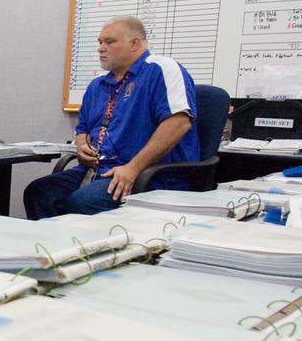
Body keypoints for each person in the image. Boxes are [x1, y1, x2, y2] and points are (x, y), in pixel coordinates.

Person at [23, 15, 198, 219]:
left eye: (110, 41)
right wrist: (81, 146)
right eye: (99, 42)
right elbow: (83, 129)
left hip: (149, 174)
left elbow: (178, 124)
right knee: (39, 193)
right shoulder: (97, 86)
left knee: (81, 202)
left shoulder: (161, 69)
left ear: (135, 43)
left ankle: (83, 249)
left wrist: (133, 168)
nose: (101, 48)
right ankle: (53, 249)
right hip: (99, 169)